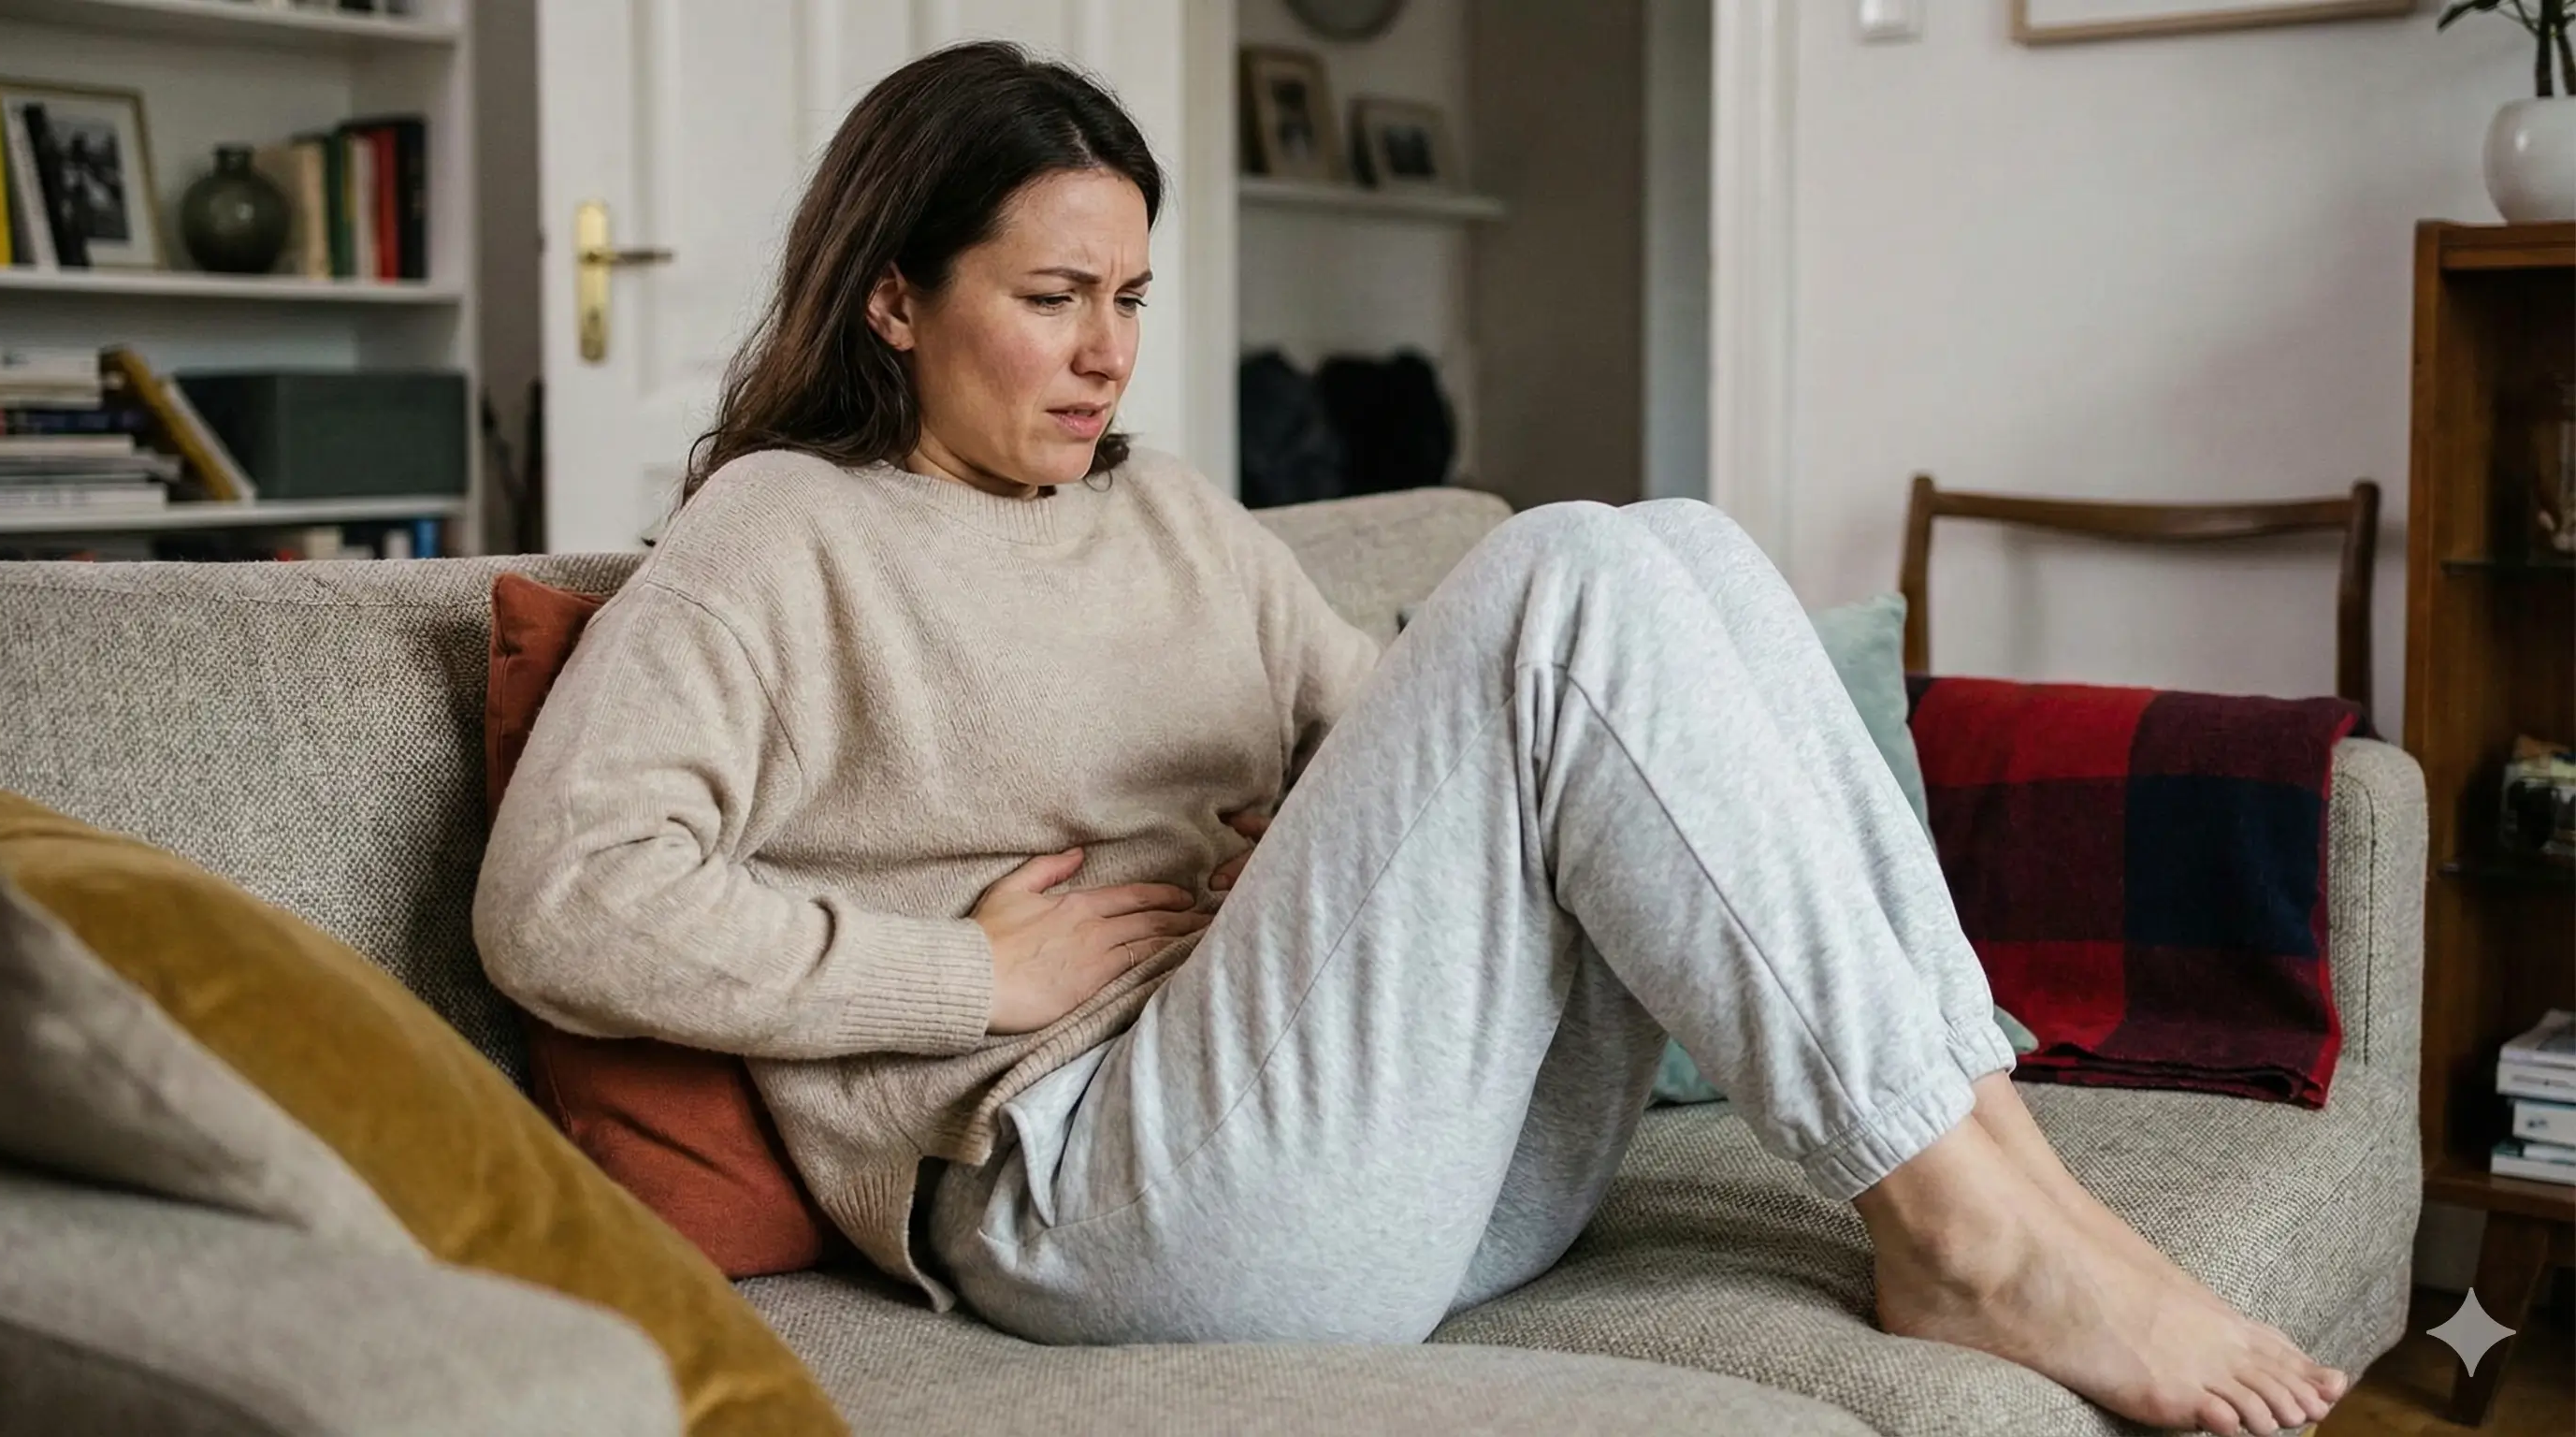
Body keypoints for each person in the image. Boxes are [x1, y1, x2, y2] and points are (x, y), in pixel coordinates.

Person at [475, 41, 2347, 1437]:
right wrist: (956, 974)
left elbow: (1467, 754)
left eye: (1128, 299)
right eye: (1048, 301)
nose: (1105, 355)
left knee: (1670, 553)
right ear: (895, 297)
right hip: (1103, 1201)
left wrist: (1318, 852)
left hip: (1395, 1165)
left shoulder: (1172, 515)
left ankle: (1996, 1189)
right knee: (1563, 573)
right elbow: (561, 901)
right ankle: (1977, 1239)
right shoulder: (783, 531)